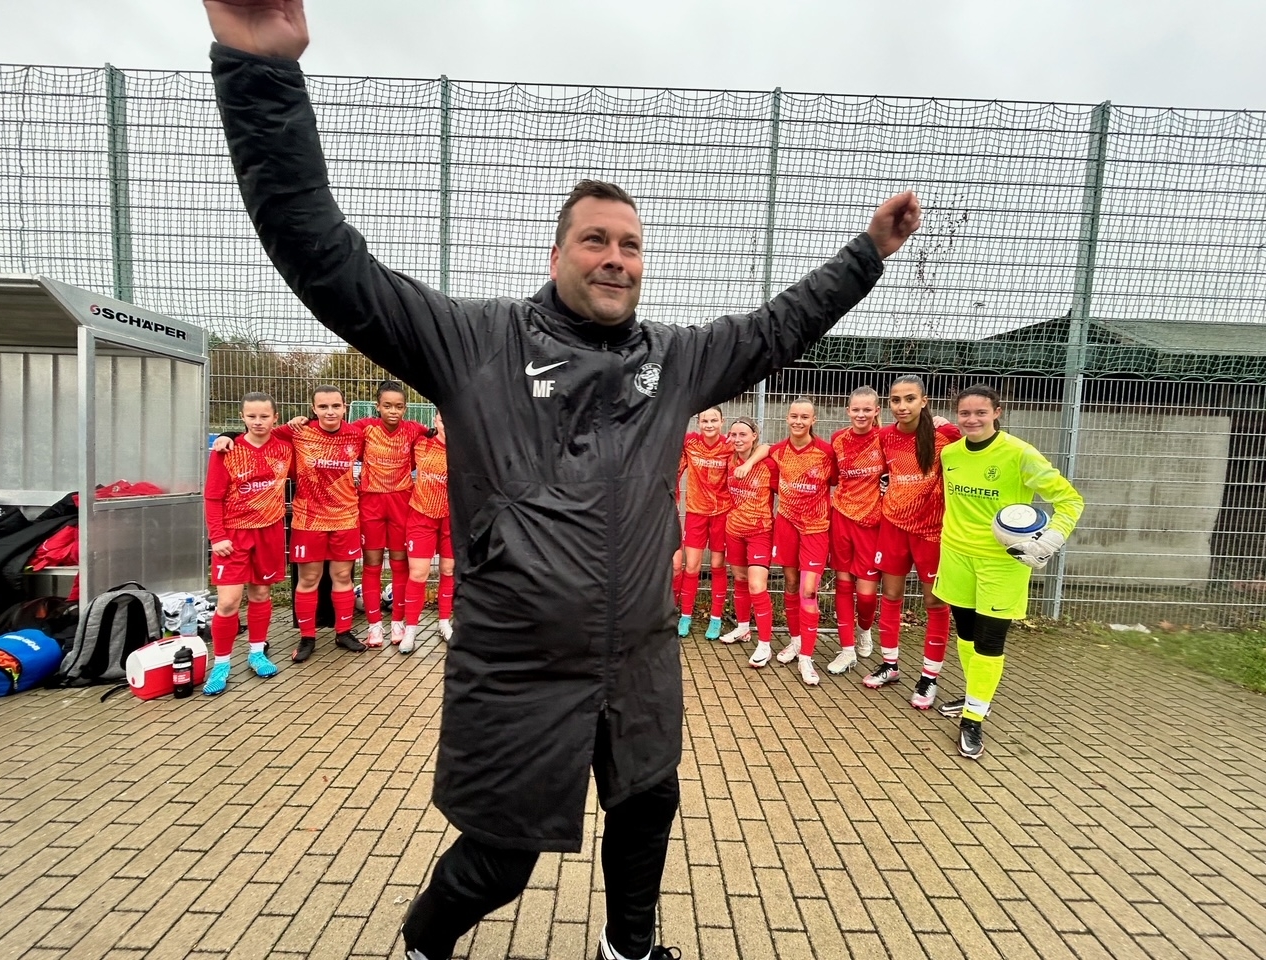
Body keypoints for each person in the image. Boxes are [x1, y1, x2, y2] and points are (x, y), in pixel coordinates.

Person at [205, 4, 919, 955]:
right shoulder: (475, 343)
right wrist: (259, 72)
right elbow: (324, 256)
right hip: (517, 666)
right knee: (501, 860)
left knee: (648, 808)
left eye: (630, 244)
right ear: (556, 254)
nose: (616, 257)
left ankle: (630, 947)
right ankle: (423, 943)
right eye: (595, 240)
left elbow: (778, 325)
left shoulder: (677, 359)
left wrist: (867, 254)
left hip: (639, 657)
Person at [934, 384, 1083, 759]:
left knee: (989, 641)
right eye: (965, 413)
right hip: (956, 555)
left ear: (997, 413)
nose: (972, 419)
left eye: (980, 412)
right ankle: (975, 696)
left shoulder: (1019, 453)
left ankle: (973, 719)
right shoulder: (950, 454)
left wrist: (1051, 539)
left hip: (1003, 562)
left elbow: (1069, 499)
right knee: (965, 634)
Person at [217, 384, 366, 661]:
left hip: (345, 517)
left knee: (343, 577)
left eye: (336, 406)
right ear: (313, 409)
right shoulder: (298, 431)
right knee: (309, 579)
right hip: (308, 519)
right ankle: (307, 637)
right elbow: (258, 433)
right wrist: (228, 436)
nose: (330, 411)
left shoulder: (357, 434)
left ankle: (343, 632)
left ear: (345, 407)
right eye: (323, 406)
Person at [863, 375, 961, 710]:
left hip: (931, 532)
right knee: (890, 595)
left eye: (909, 399)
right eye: (895, 400)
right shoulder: (885, 436)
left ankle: (929, 677)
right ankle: (890, 665)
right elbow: (883, 472)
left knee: (935, 603)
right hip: (893, 527)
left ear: (924, 401)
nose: (902, 406)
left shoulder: (946, 435)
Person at [202, 392, 292, 695]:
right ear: (242, 417)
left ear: (275, 417)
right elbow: (213, 497)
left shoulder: (285, 448)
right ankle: (221, 664)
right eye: (251, 416)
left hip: (269, 531)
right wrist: (217, 536)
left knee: (261, 593)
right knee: (228, 602)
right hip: (233, 535)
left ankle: (257, 652)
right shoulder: (226, 451)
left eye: (264, 416)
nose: (258, 422)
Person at [675, 407, 766, 639]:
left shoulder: (729, 444)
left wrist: (748, 464)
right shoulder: (690, 442)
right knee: (691, 566)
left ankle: (715, 619)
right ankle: (685, 616)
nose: (709, 425)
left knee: (717, 565)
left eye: (713, 420)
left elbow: (764, 448)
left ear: (722, 422)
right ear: (698, 423)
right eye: (704, 421)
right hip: (696, 512)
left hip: (722, 513)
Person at [354, 381, 429, 649]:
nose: (393, 411)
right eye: (387, 406)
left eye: (398, 406)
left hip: (401, 502)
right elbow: (335, 434)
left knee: (400, 563)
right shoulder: (364, 428)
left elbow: (437, 436)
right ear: (378, 406)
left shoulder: (414, 430)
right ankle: (374, 625)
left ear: (405, 408)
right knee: (372, 563)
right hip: (371, 502)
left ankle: (398, 621)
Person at [766, 398, 835, 686]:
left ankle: (807, 656)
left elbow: (838, 482)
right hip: (787, 525)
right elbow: (767, 468)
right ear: (787, 418)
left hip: (816, 529)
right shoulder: (777, 451)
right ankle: (795, 641)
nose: (798, 421)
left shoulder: (826, 452)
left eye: (804, 417)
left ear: (813, 420)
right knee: (791, 583)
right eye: (794, 416)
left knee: (809, 591)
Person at [826, 386, 884, 675]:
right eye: (856, 409)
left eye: (867, 409)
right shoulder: (838, 439)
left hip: (871, 523)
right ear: (848, 410)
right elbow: (834, 477)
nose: (861, 415)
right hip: (841, 518)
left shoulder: (885, 438)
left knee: (866, 594)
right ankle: (847, 649)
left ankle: (864, 629)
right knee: (843, 583)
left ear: (876, 411)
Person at [720, 417, 779, 663]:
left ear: (754, 435)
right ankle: (743, 628)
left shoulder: (768, 464)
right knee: (740, 579)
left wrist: (751, 462)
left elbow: (769, 448)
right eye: (733, 434)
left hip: (760, 531)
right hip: (734, 529)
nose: (737, 439)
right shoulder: (729, 459)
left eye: (743, 434)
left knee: (757, 586)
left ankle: (765, 645)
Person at [400, 411, 454, 654]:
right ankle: (410, 629)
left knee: (448, 570)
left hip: (452, 519)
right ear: (435, 420)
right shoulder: (421, 444)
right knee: (418, 573)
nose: (447, 425)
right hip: (422, 516)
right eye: (443, 420)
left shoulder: (466, 450)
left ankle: (444, 622)